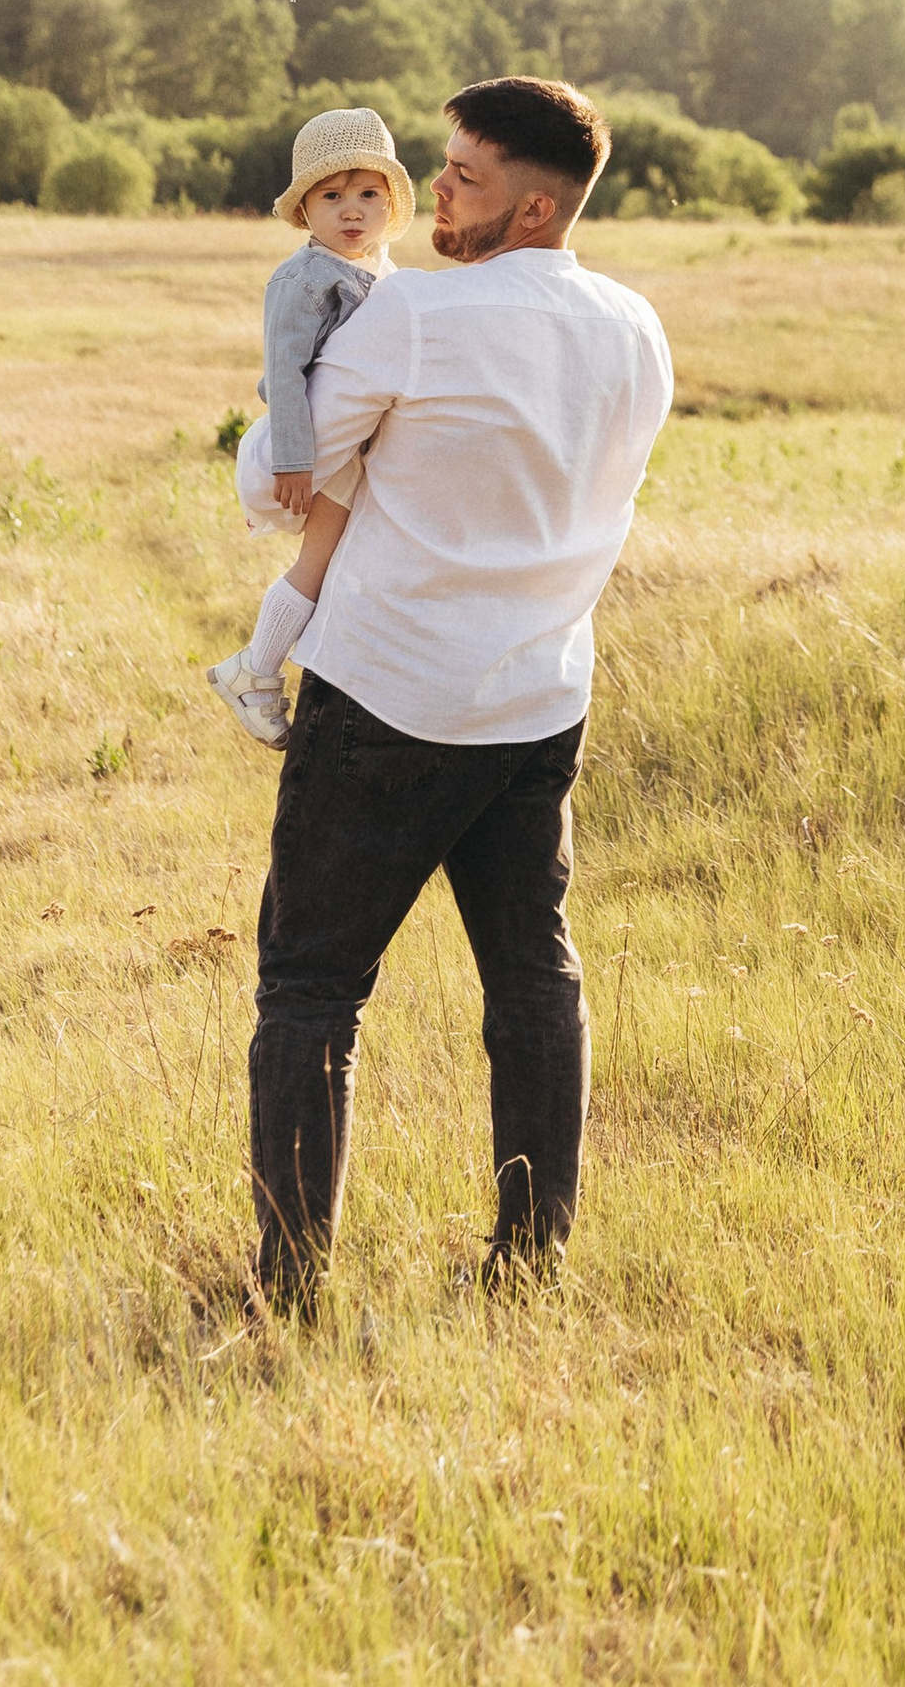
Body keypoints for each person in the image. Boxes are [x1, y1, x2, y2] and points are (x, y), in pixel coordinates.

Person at [229, 77, 672, 1312]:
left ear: (532, 208)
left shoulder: (411, 315)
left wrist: (288, 433)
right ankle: (530, 1267)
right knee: (533, 977)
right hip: (538, 697)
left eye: (465, 176)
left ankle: (290, 1288)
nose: (436, 189)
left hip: (387, 694)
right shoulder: (636, 325)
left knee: (311, 987)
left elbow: (274, 481)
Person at [206, 106, 416, 748]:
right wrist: (295, 460)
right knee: (317, 562)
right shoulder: (303, 280)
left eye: (368, 194)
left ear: (390, 204)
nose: (352, 210)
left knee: (344, 561)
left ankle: (275, 667)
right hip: (317, 450)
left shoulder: (382, 272)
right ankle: (255, 669)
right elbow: (284, 375)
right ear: (304, 209)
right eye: (332, 196)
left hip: (356, 450)